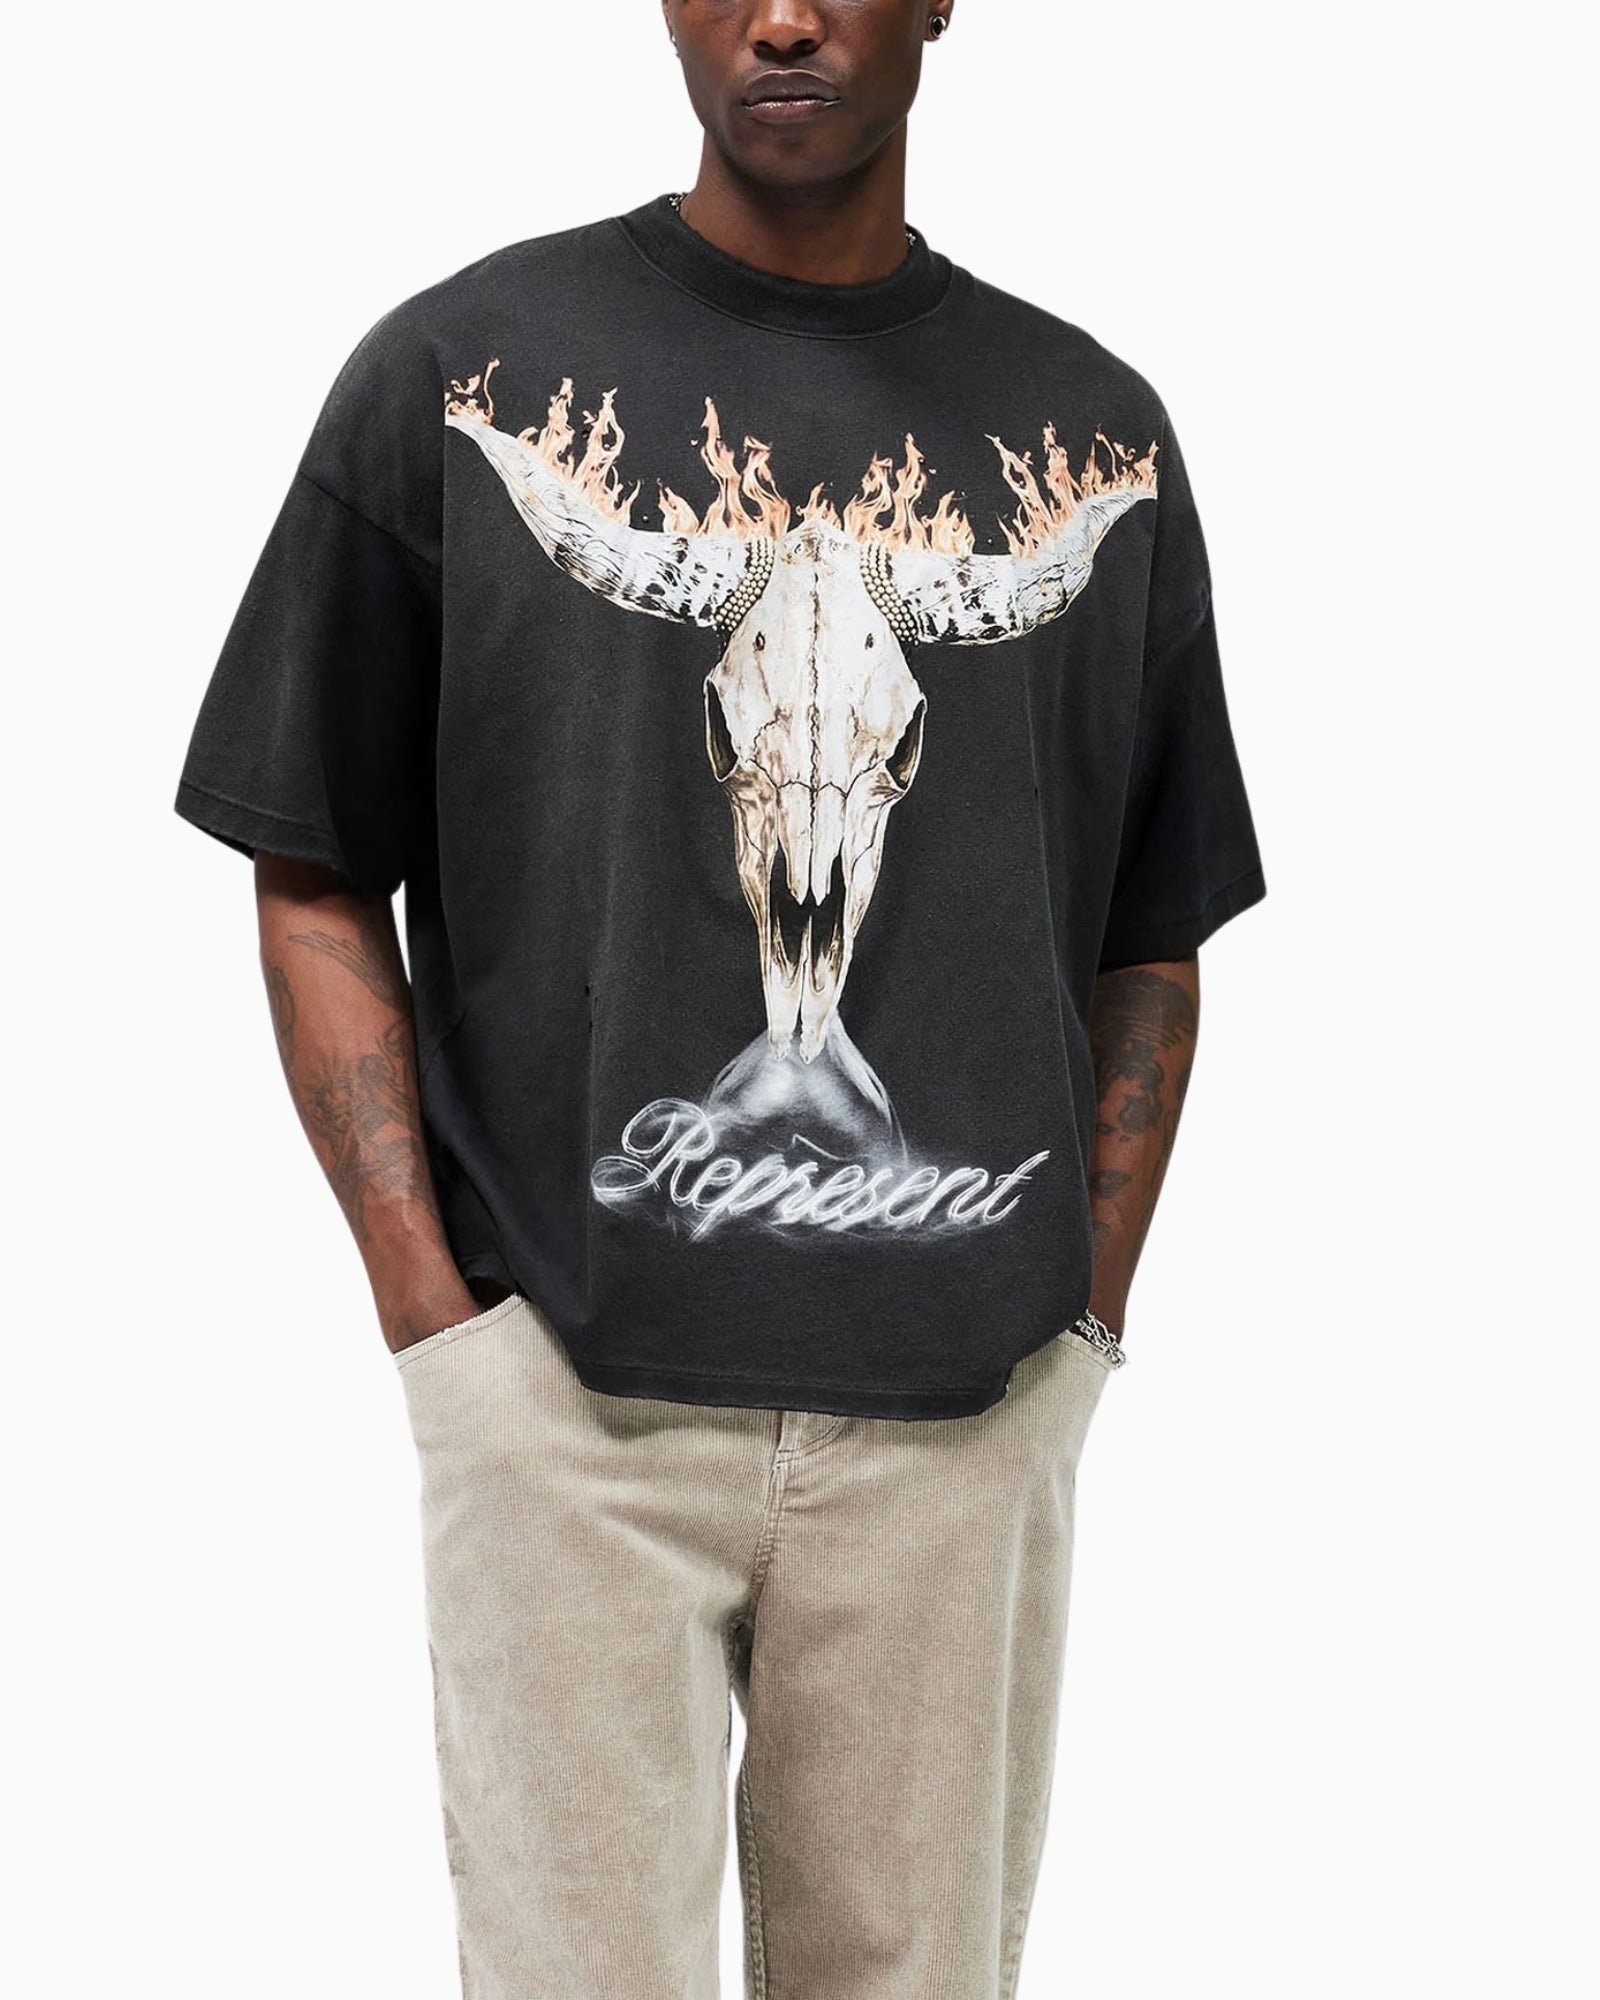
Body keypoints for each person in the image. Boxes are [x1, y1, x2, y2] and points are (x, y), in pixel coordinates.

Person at [174, 3, 1265, 1993]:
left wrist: (1072, 1331)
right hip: (563, 1421)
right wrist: (445, 1338)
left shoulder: (1092, 434)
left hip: (961, 1428)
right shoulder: (454, 376)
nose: (779, 14)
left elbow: (1151, 927)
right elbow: (312, 856)